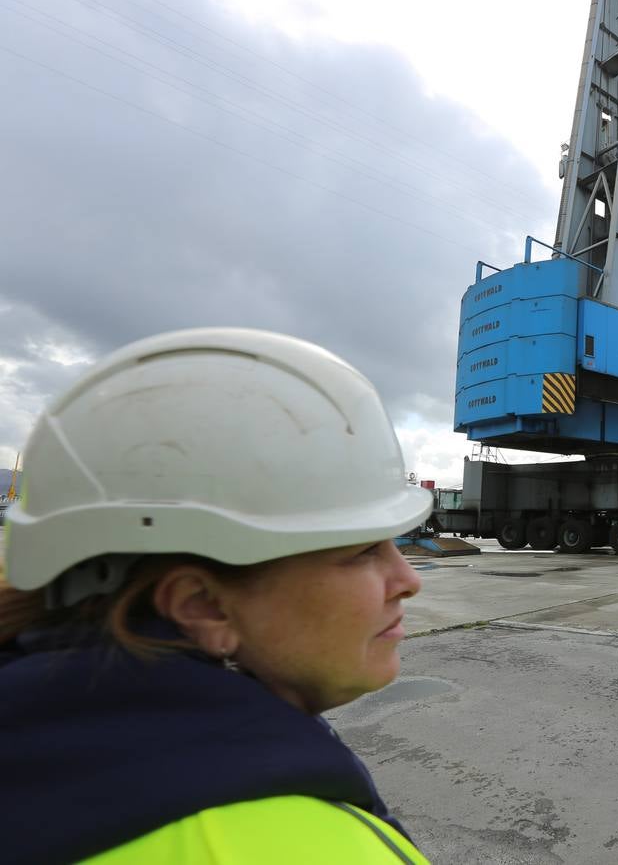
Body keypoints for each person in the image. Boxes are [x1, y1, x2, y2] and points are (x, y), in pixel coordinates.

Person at [0, 328, 434, 864]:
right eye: (363, 550)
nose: (409, 579)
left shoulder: (37, 736)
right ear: (203, 605)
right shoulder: (288, 844)